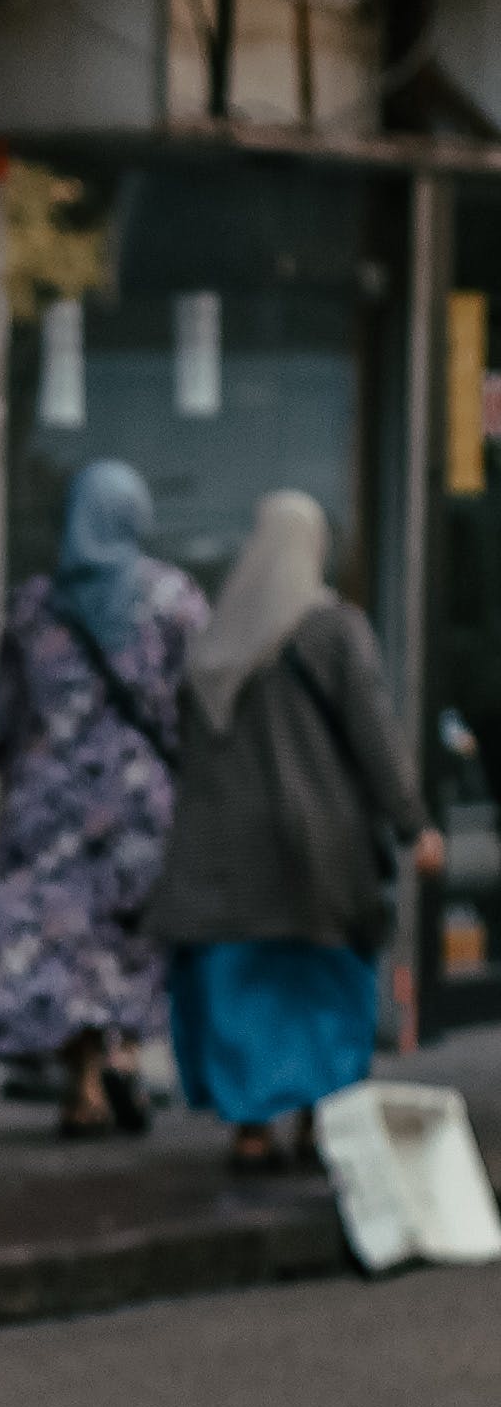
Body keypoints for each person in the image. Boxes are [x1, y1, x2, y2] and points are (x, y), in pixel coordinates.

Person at [143, 488, 439, 1174]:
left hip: (224, 853)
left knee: (238, 990)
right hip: (318, 851)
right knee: (321, 985)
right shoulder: (333, 631)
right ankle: (316, 1121)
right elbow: (373, 737)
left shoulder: (215, 638)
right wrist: (410, 822)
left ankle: (249, 1130)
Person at [0, 459, 205, 1136]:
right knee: (131, 935)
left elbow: (3, 716)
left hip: (46, 807)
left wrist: (25, 769)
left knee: (58, 939)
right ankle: (127, 1057)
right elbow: (197, 703)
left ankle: (82, 1082)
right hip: (139, 803)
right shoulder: (173, 600)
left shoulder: (32, 607)